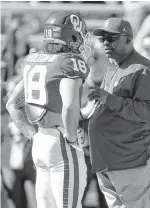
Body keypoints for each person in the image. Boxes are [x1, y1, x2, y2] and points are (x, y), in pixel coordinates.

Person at [6, 12, 91, 208]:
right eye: (78, 36)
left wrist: (33, 135)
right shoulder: (69, 62)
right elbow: (69, 105)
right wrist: (71, 138)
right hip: (62, 142)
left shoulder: (34, 59)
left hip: (40, 143)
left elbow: (12, 104)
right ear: (71, 37)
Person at [86, 17, 150, 208]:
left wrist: (109, 99)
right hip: (116, 159)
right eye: (103, 39)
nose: (106, 43)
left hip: (139, 158)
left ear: (128, 39)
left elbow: (149, 112)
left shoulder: (144, 69)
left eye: (112, 38)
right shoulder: (113, 67)